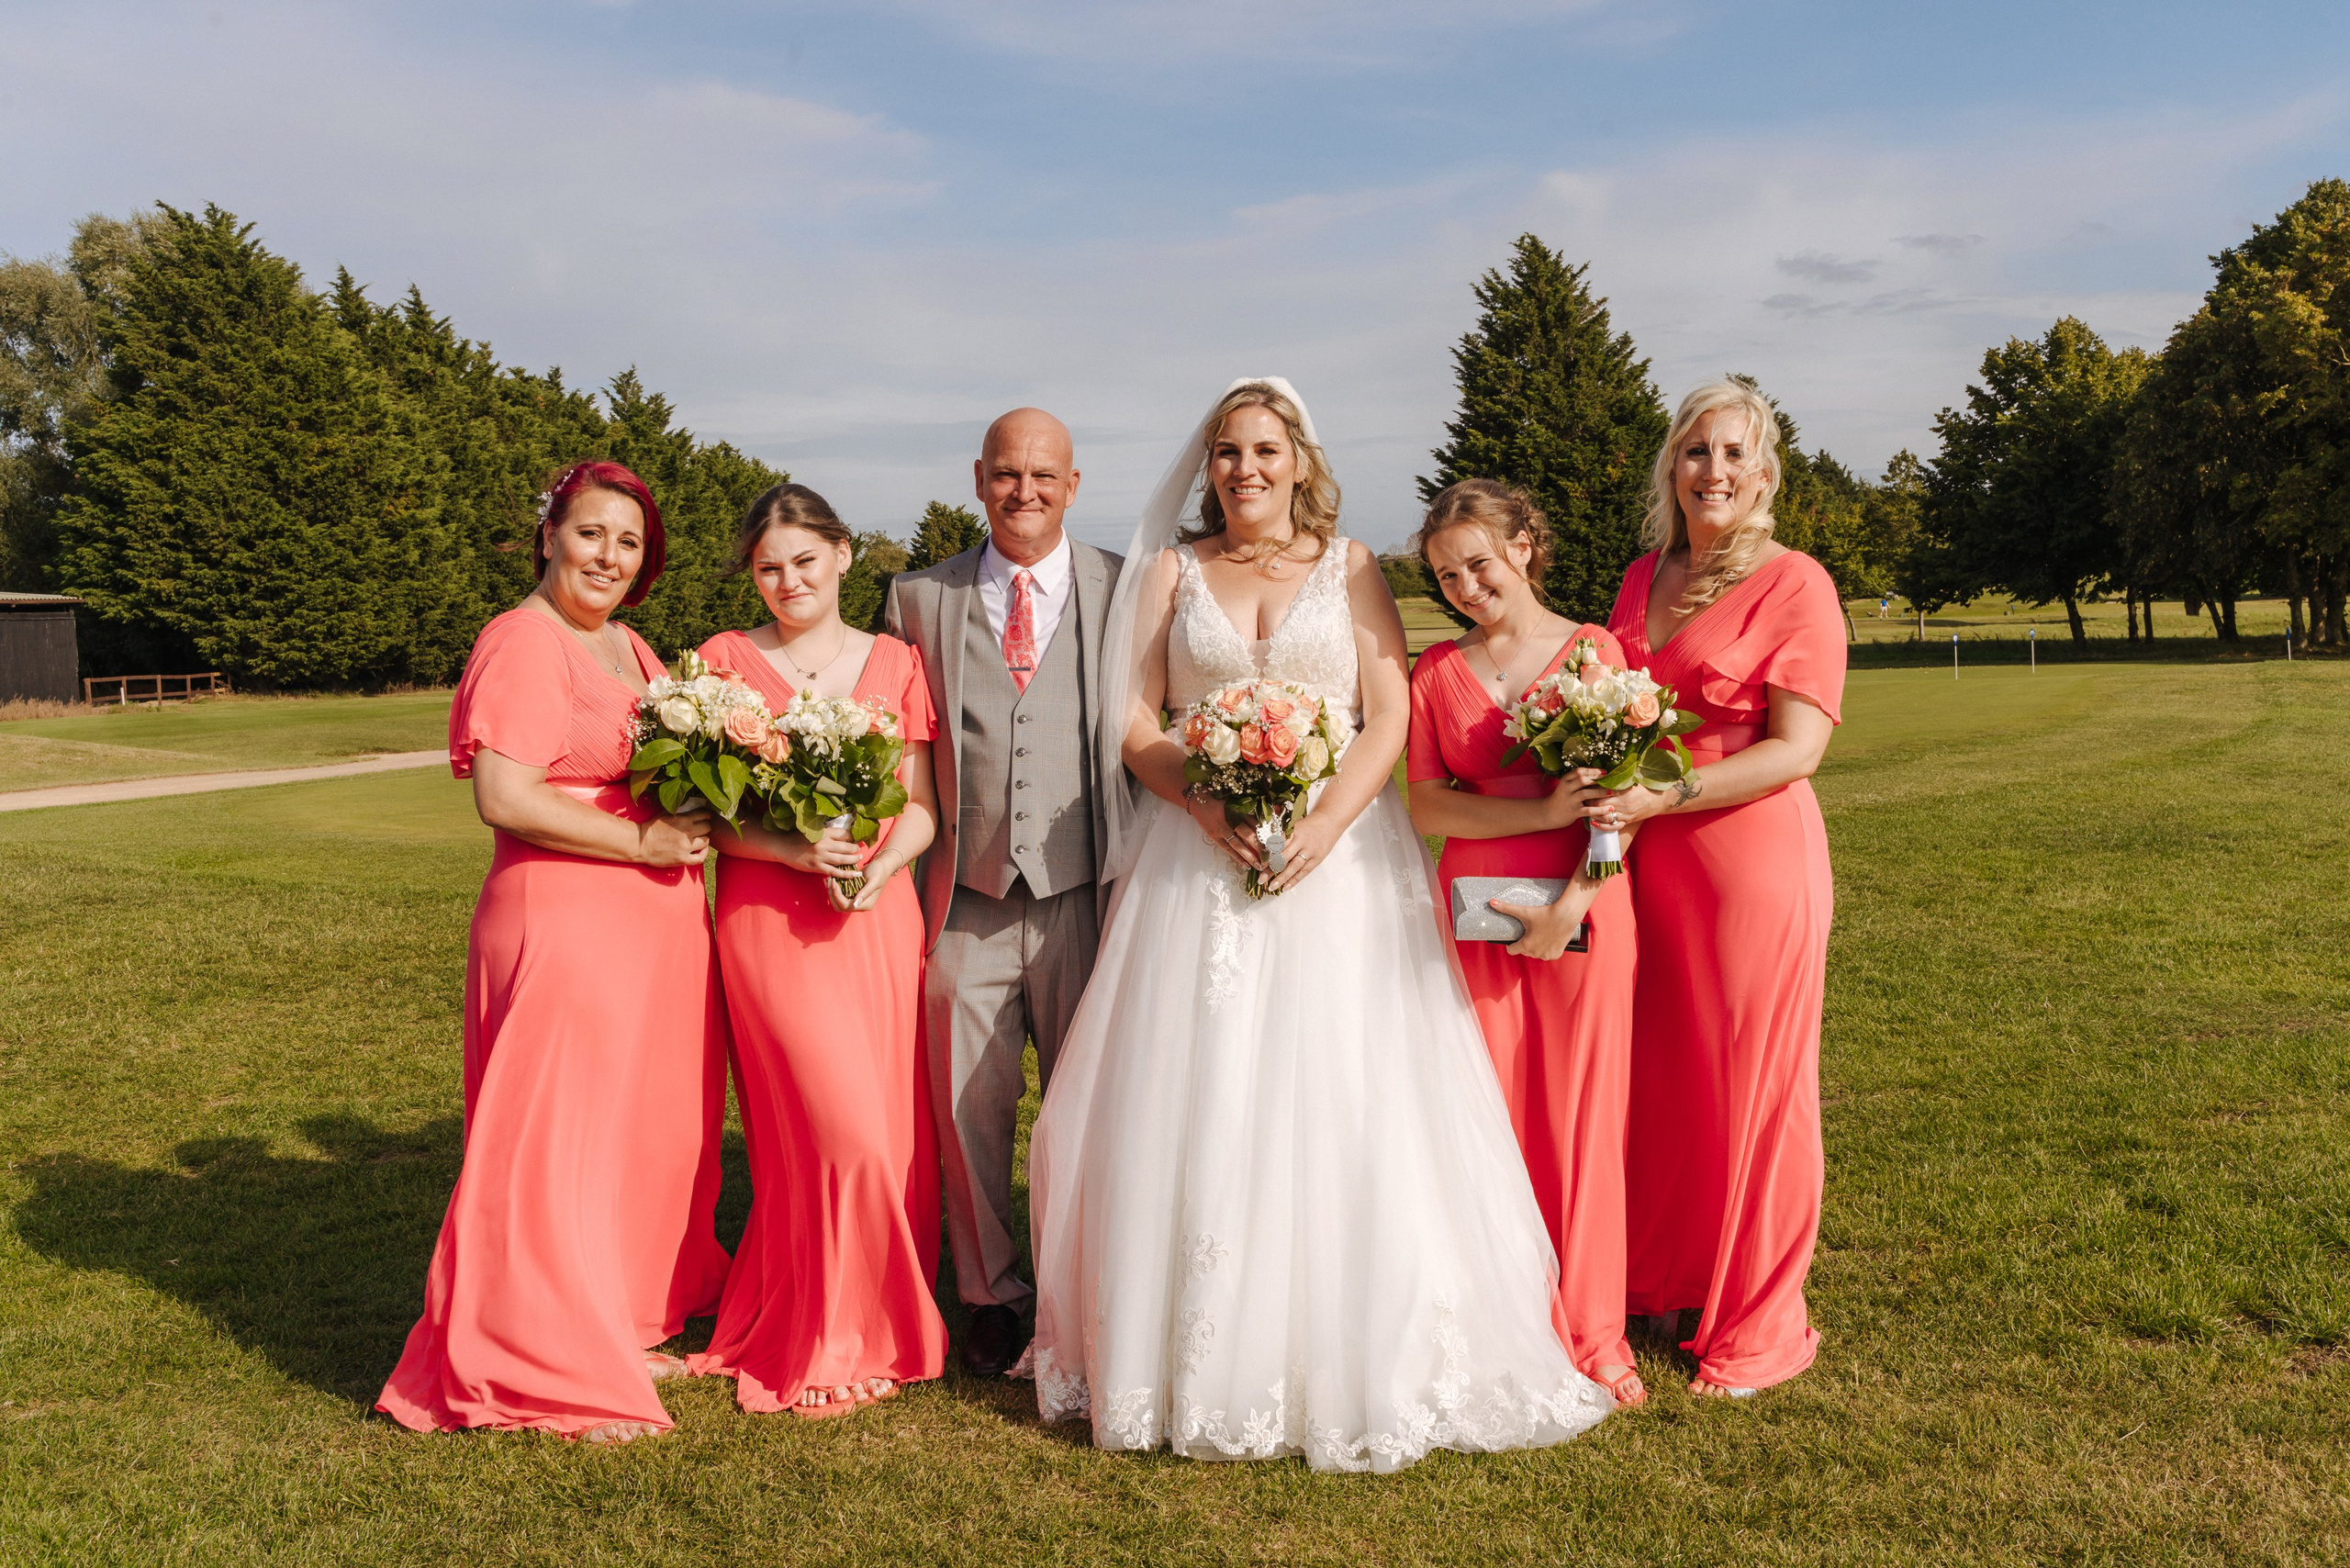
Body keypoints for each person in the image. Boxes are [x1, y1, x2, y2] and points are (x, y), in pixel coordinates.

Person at [1025, 379, 1612, 1473]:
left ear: (1298, 458)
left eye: (1264, 449)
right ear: (1208, 467)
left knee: (1344, 1084)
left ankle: (1362, 1347)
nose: (1244, 469)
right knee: (1199, 1087)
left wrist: (1328, 823)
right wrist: (1202, 803)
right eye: (1226, 451)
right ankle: (1194, 1352)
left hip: (1340, 861)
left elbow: (1385, 713)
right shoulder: (1173, 572)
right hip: (1198, 863)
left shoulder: (1349, 567)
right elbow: (1137, 718)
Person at [377, 461, 731, 1445]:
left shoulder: (628, 644)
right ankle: (531, 1362)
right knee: (553, 1143)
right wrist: (642, 842)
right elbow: (505, 794)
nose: (609, 557)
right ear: (549, 537)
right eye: (591, 533)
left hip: (649, 928)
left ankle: (603, 1326)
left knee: (628, 1136)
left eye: (629, 542)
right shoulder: (524, 641)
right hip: (567, 917)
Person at [1593, 379, 1845, 1398]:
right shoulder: (1640, 577)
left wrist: (1669, 794)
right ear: (1672, 467)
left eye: (1736, 452)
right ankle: (1664, 1281)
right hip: (1645, 867)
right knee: (1659, 1077)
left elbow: (1798, 749)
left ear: (1765, 470)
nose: (1715, 470)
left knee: (1753, 1085)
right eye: (1697, 451)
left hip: (1750, 863)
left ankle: (1755, 1317)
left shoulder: (1795, 583)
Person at [687, 483, 947, 1418]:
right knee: (830, 1126)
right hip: (768, 920)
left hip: (877, 917)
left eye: (803, 560)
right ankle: (835, 1329)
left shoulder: (897, 662)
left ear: (843, 553)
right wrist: (790, 850)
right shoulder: (723, 663)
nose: (788, 581)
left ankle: (875, 1308)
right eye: (768, 568)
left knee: (886, 1126)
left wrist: (883, 870)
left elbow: (920, 808)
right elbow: (708, 819)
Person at [882, 409, 1126, 1376]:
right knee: (964, 1106)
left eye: (1043, 475)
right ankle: (990, 1293)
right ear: (979, 478)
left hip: (1086, 890)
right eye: (1006, 474)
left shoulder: (1125, 585)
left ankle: (1080, 1284)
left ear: (1073, 484)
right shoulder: (917, 598)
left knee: (1089, 1100)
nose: (1024, 492)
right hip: (963, 896)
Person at [1404, 478, 1644, 1408]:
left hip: (1586, 905)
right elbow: (1426, 806)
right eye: (1446, 576)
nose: (1466, 586)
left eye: (1478, 563)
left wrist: (1571, 906)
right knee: (1482, 1117)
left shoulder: (1594, 651)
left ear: (1523, 546)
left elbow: (1622, 804)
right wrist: (1538, 810)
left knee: (1582, 1119)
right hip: (1473, 913)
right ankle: (1496, 1322)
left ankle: (1593, 1332)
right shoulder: (1435, 672)